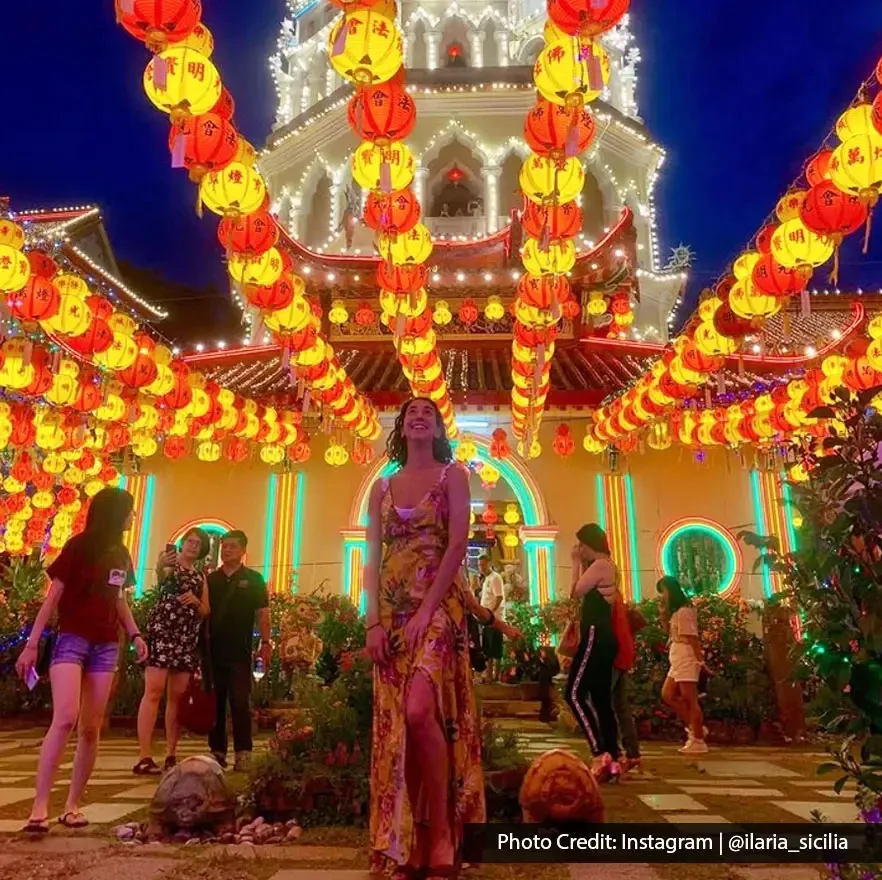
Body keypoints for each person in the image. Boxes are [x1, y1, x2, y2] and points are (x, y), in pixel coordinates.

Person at [364, 397, 518, 879]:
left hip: (437, 610)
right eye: (411, 412)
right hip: (390, 613)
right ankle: (412, 836)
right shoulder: (382, 487)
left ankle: (445, 831)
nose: (418, 416)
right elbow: (371, 555)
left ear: (436, 427)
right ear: (400, 426)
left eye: (427, 413)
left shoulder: (453, 476)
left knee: (419, 710)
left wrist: (428, 610)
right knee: (400, 726)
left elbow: (455, 546)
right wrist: (372, 621)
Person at [15, 488, 147, 832]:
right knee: (65, 718)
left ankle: (73, 805)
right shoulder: (77, 547)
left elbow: (119, 601)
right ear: (115, 513)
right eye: (129, 511)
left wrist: (135, 634)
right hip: (71, 640)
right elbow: (53, 596)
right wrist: (31, 645)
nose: (132, 518)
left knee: (91, 726)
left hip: (105, 645)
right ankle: (39, 806)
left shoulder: (121, 555)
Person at [133, 527, 211, 775]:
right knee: (153, 691)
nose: (192, 546)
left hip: (185, 637)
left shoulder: (200, 576)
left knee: (176, 697)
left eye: (198, 543)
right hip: (163, 631)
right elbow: (162, 577)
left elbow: (206, 610)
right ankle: (144, 755)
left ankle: (170, 753)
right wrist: (159, 565)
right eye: (190, 541)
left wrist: (196, 601)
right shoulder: (169, 563)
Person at [206, 530, 271, 771]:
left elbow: (263, 613)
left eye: (232, 546)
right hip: (213, 651)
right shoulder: (211, 580)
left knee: (240, 701)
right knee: (216, 703)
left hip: (241, 652)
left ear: (243, 550)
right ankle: (217, 751)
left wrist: (266, 643)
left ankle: (244, 752)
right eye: (224, 546)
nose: (227, 550)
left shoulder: (253, 579)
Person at [565, 523, 621, 781]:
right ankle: (613, 757)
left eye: (582, 546)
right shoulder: (609, 565)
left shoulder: (599, 566)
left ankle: (599, 752)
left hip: (595, 636)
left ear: (589, 545)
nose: (580, 550)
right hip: (605, 637)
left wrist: (575, 563)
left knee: (574, 693)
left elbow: (574, 592)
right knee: (600, 699)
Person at [657, 576, 708, 755]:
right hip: (677, 655)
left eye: (663, 591)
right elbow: (669, 634)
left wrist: (700, 661)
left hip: (686, 655)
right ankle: (696, 727)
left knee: (689, 699)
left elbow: (692, 638)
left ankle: (698, 738)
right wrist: (663, 615)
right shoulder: (677, 612)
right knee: (667, 694)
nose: (662, 596)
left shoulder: (685, 611)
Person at [611, 599, 645, 773]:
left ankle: (612, 753)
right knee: (620, 706)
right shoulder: (617, 600)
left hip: (612, 655)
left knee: (605, 704)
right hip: (622, 655)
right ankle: (632, 754)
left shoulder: (607, 599)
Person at [478, 555, 504, 682]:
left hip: (495, 619)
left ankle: (494, 675)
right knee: (487, 648)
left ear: (489, 563)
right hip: (485, 619)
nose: (481, 568)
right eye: (479, 565)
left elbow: (499, 597)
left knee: (495, 648)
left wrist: (491, 614)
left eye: (483, 565)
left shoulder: (495, 578)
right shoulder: (486, 579)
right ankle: (488, 674)